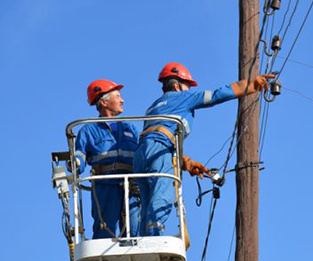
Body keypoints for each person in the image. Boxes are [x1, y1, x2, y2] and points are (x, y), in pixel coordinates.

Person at [134, 62, 274, 236]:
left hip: (141, 155)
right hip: (159, 150)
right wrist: (253, 84)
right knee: (164, 192)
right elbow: (216, 95)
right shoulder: (182, 97)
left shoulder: (153, 107)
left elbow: (156, 140)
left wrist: (186, 162)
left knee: (147, 200)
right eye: (187, 85)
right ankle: (153, 237)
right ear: (177, 85)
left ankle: (145, 239)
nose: (189, 89)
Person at [74, 79, 140, 239]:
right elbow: (79, 156)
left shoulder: (130, 128)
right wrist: (75, 163)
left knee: (135, 230)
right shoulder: (88, 130)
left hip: (131, 185)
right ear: (104, 102)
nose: (122, 100)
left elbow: (140, 155)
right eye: (118, 96)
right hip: (105, 185)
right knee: (104, 230)